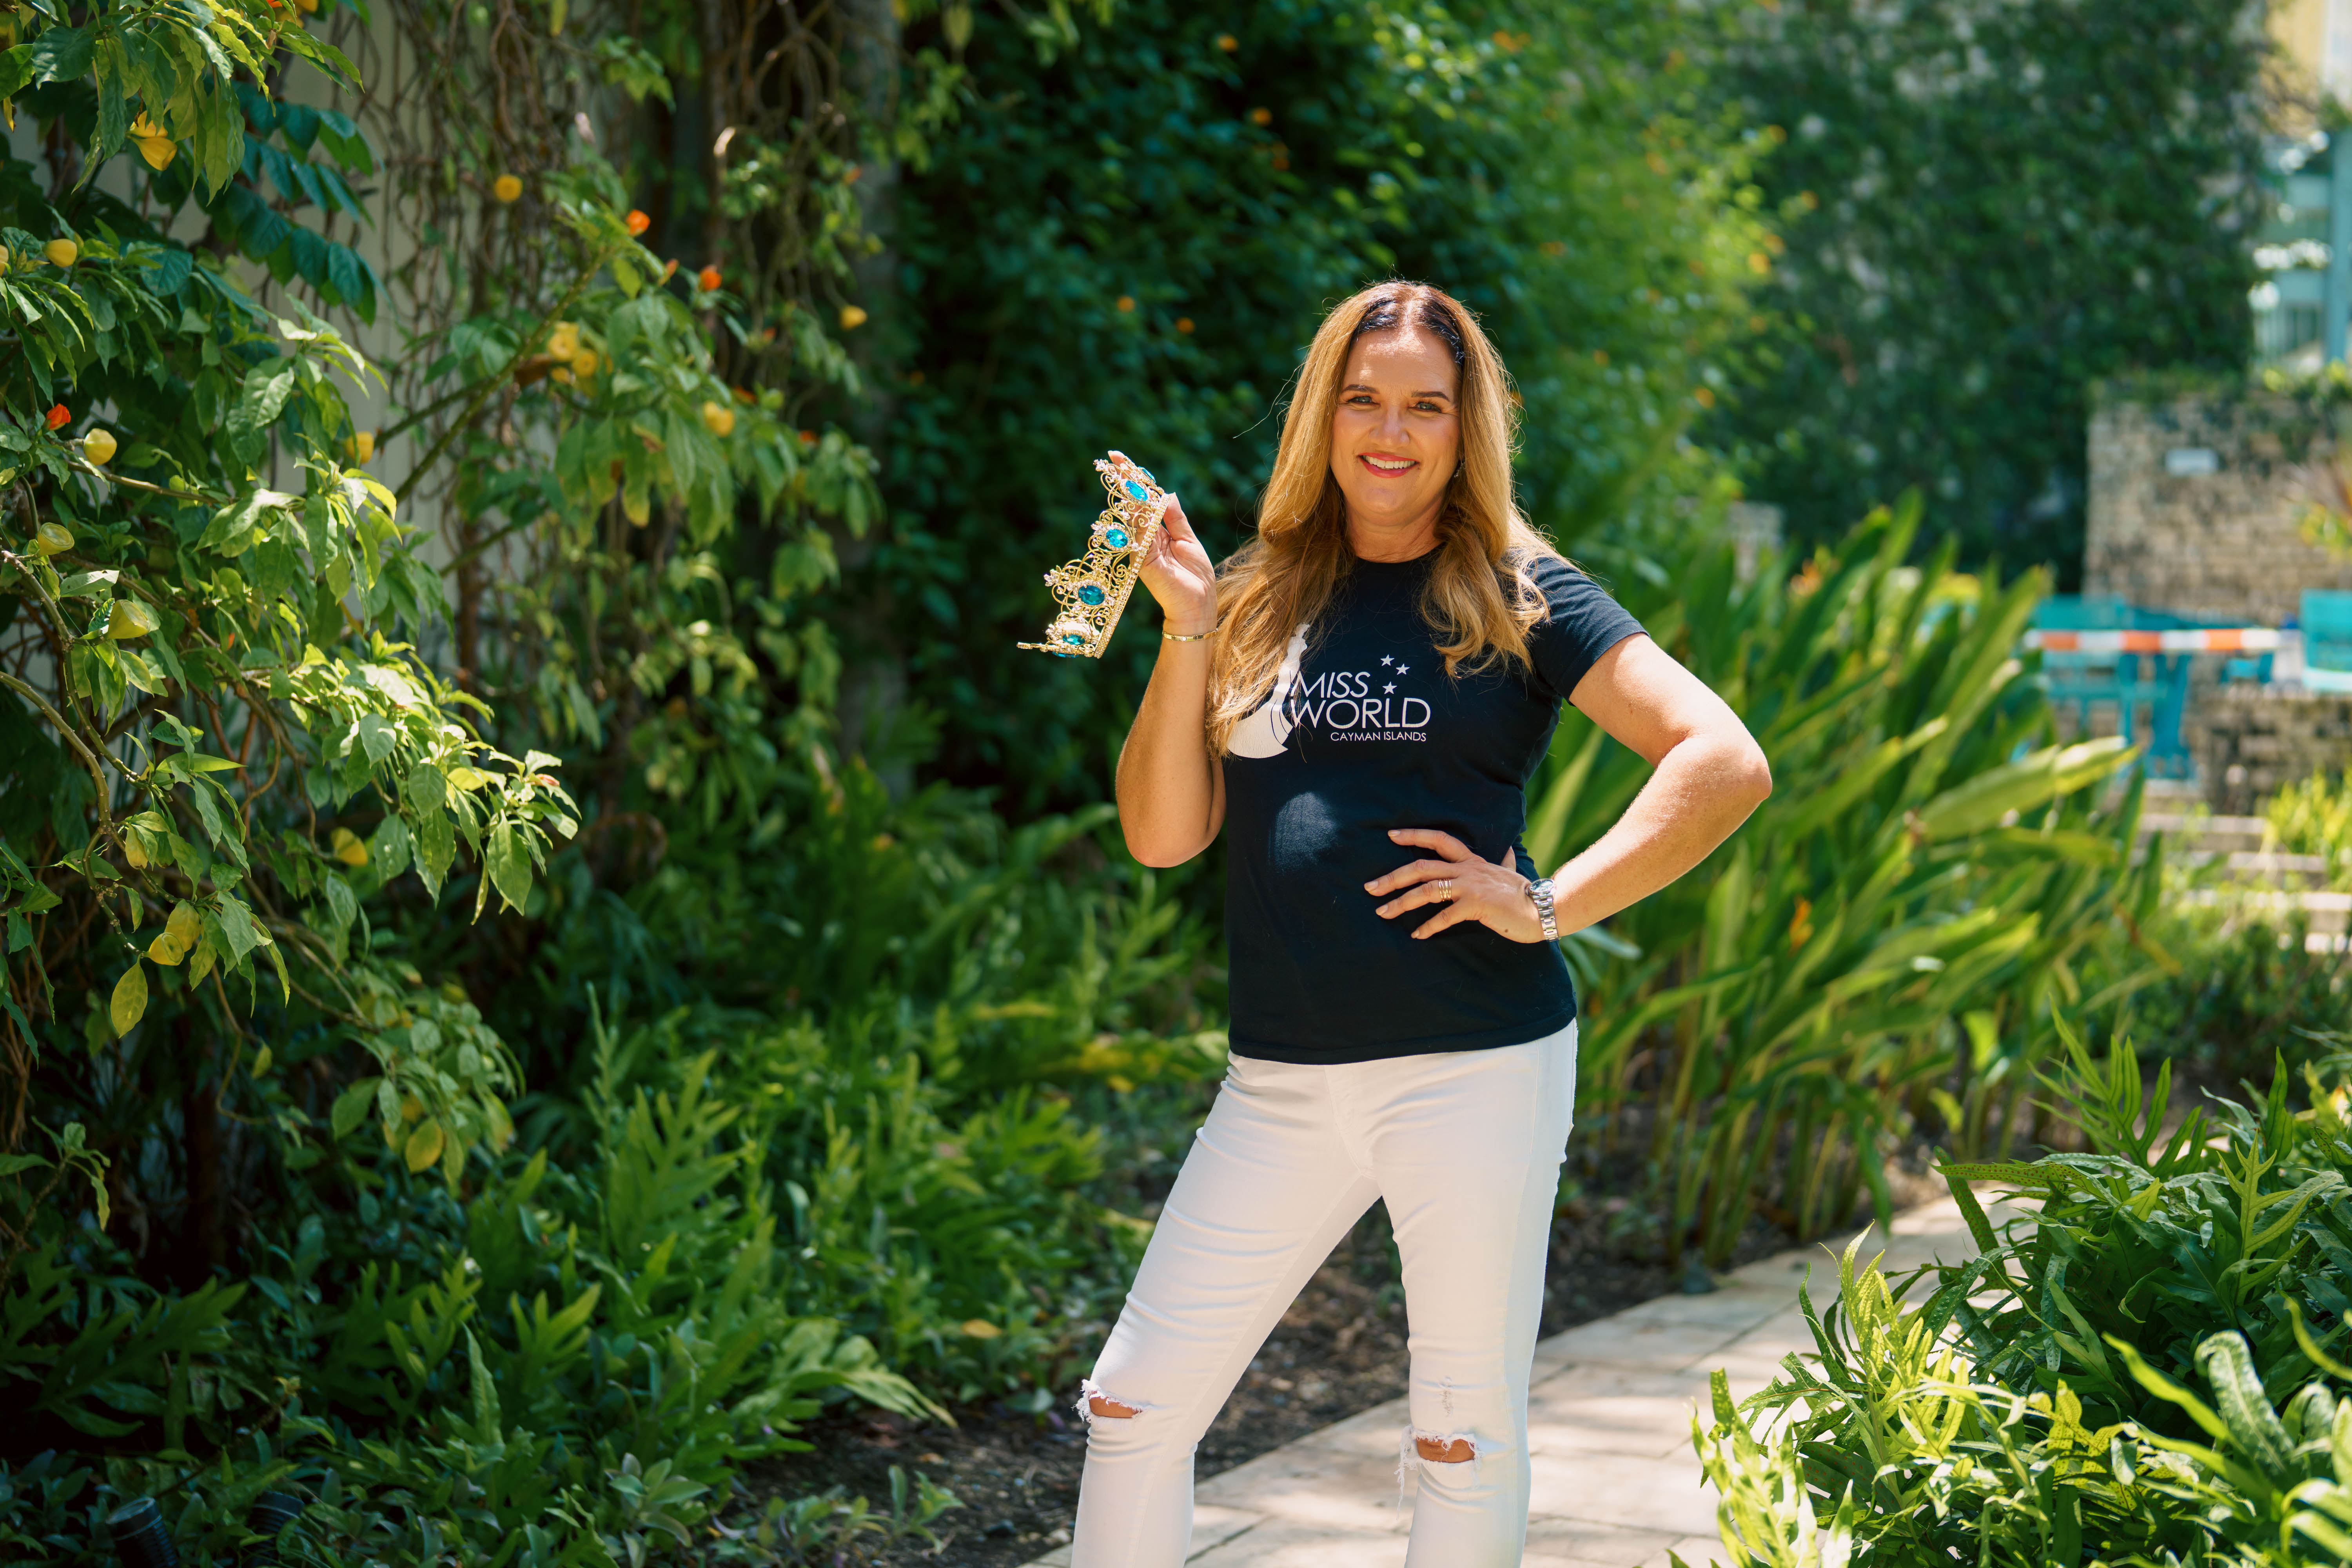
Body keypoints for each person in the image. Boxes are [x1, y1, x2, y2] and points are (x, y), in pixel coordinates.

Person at [1073, 280, 1772, 1568]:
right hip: (1279, 1079)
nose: (1390, 431)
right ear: (1323, 416)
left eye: (1426, 406)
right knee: (1128, 1408)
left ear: (1466, 429)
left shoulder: (1517, 586)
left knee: (1458, 1438)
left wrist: (1547, 901)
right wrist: (1186, 626)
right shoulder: (1261, 591)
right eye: (1364, 399)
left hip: (1473, 1068)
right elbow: (1166, 834)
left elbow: (1721, 758)